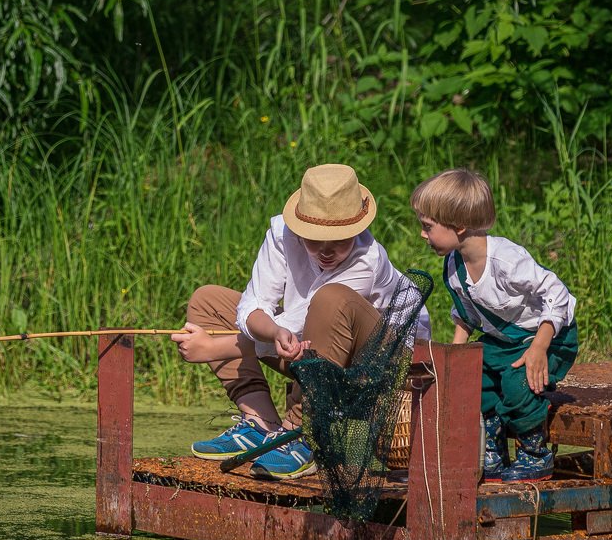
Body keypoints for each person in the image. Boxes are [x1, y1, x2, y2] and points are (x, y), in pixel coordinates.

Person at [174, 163, 429, 481]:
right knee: (208, 302)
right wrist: (274, 330)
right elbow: (255, 306)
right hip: (314, 345)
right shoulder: (281, 233)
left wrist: (215, 348)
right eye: (314, 239)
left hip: (386, 363)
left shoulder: (368, 260)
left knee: (331, 299)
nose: (325, 250)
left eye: (338, 239)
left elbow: (307, 319)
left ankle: (301, 436)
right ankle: (260, 422)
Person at [410, 168, 578, 482]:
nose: (422, 234)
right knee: (474, 377)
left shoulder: (507, 261)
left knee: (517, 381)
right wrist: (455, 359)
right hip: (503, 339)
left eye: (427, 226)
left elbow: (559, 295)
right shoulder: (454, 265)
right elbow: (467, 314)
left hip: (549, 336)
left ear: (459, 226)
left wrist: (540, 346)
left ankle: (535, 453)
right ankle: (493, 451)